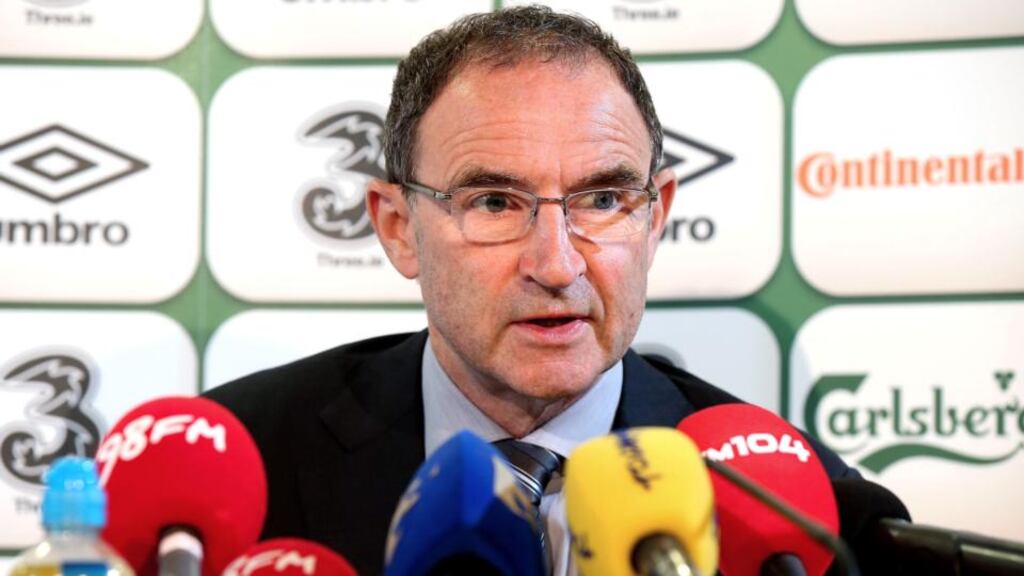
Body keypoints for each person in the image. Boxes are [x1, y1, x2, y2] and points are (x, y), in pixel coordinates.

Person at [206, 6, 859, 575]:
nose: (556, 264)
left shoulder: (798, 514)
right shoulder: (242, 467)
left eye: (603, 198)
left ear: (655, 216)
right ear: (398, 229)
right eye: (495, 201)